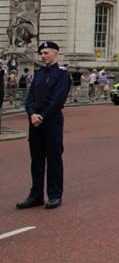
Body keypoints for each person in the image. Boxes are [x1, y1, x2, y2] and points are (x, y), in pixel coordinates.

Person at [17, 41, 71, 210]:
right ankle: (36, 195)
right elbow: (30, 98)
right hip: (35, 122)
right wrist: (32, 113)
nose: (43, 56)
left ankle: (54, 194)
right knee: (36, 160)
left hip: (51, 121)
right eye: (41, 53)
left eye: (46, 53)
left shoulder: (62, 75)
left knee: (54, 159)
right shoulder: (39, 73)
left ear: (56, 53)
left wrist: (42, 116)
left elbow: (58, 100)